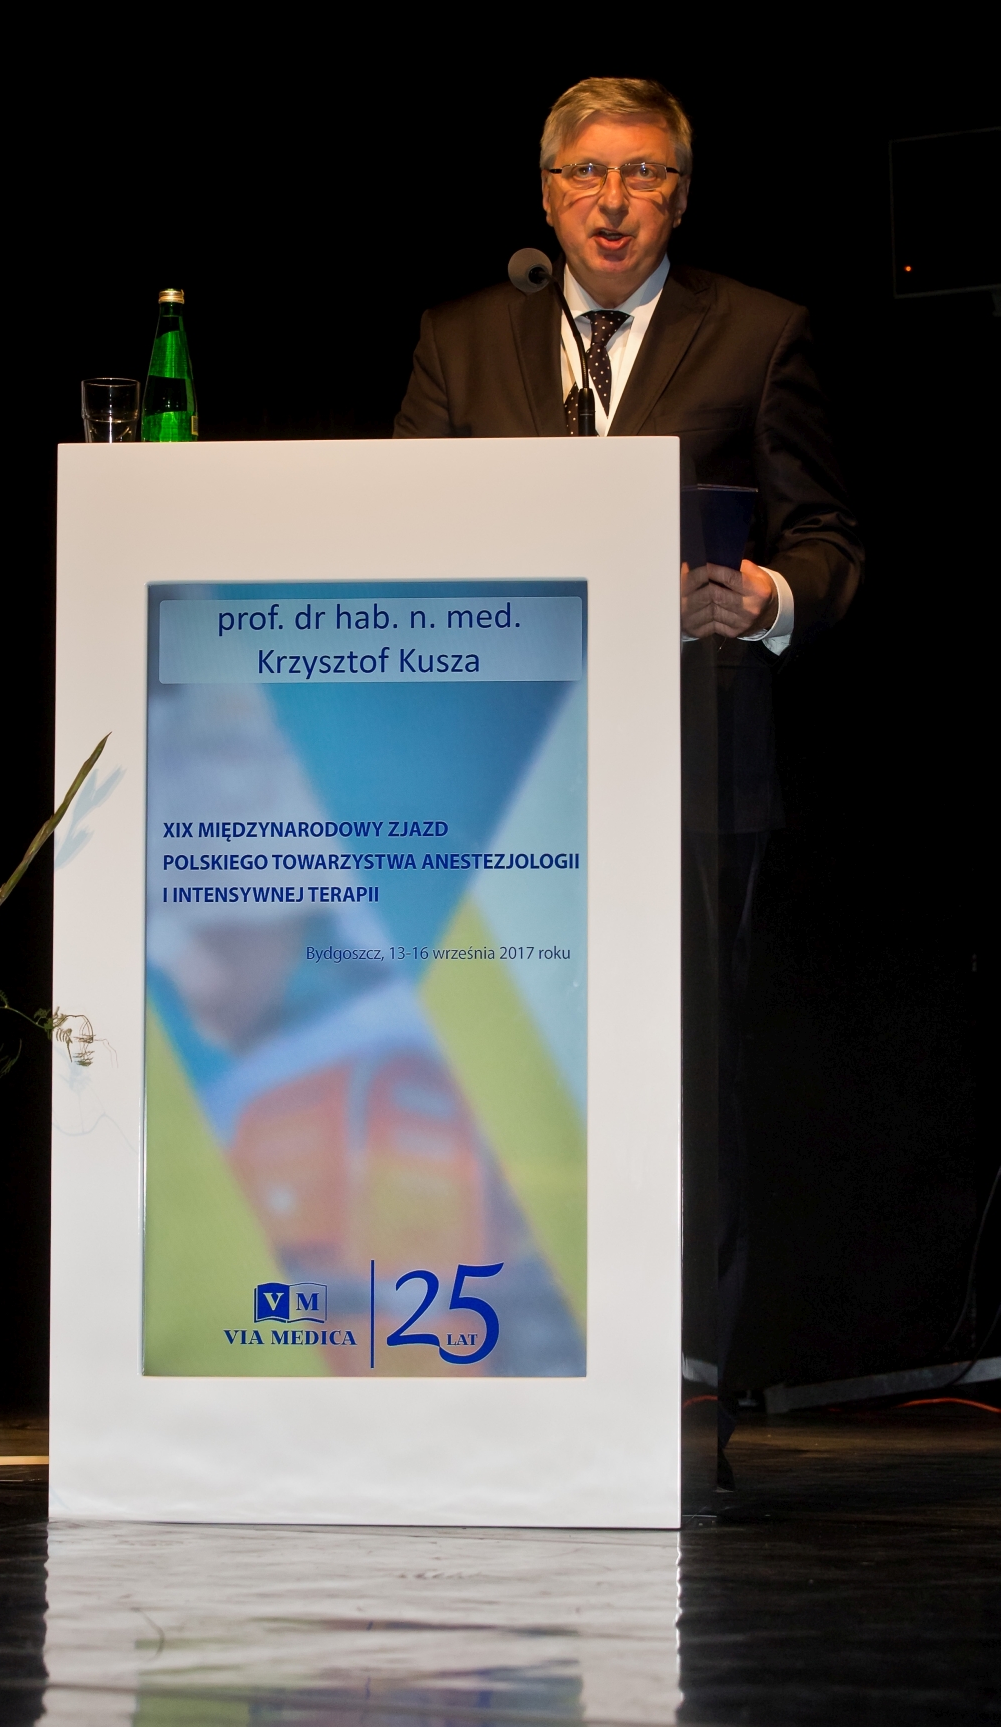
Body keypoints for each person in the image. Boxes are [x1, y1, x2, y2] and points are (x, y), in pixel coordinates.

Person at [394, 75, 864, 1478]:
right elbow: (398, 528)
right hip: (496, 767)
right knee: (492, 1055)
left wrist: (768, 595)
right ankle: (485, 1345)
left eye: (643, 174)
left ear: (681, 197)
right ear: (546, 196)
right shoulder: (460, 339)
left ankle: (685, 1372)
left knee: (681, 1069)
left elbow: (831, 541)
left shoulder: (761, 333)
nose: (612, 202)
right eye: (587, 174)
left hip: (692, 763)